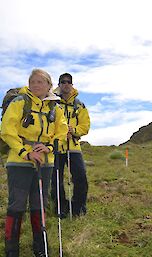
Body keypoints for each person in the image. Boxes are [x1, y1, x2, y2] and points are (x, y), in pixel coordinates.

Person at [1, 69, 68, 257]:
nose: (36, 85)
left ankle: (40, 247)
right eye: (33, 81)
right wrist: (26, 153)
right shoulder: (20, 102)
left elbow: (62, 133)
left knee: (40, 203)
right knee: (17, 205)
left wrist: (49, 147)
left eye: (40, 82)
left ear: (49, 85)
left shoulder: (55, 108)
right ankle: (11, 250)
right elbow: (7, 130)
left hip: (46, 163)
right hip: (19, 162)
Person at [50, 73, 90, 217]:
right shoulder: (52, 102)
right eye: (63, 82)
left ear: (72, 84)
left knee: (80, 177)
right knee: (56, 180)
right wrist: (59, 134)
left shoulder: (79, 105)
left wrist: (73, 131)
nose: (66, 84)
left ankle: (78, 207)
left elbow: (85, 126)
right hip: (56, 147)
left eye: (68, 82)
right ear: (59, 84)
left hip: (73, 147)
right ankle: (61, 208)